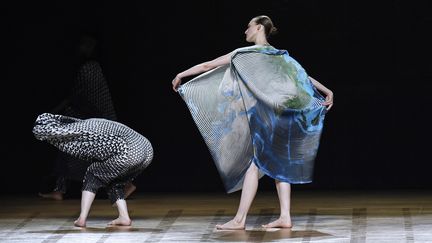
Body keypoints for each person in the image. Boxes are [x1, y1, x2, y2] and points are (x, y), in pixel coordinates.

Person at [172, 15, 333, 230]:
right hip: (282, 118)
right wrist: (326, 90)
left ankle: (239, 220)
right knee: (280, 165)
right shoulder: (280, 56)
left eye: (248, 27)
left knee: (254, 166)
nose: (245, 31)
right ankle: (284, 216)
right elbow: (302, 78)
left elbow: (207, 66)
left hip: (266, 118)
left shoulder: (244, 54)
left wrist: (181, 75)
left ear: (258, 28)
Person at [38, 34, 137, 201]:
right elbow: (76, 96)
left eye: (87, 46)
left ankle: (125, 185)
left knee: (98, 155)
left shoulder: (90, 68)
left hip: (97, 119)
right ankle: (58, 190)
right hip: (89, 117)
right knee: (68, 150)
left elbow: (87, 97)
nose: (82, 49)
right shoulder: (85, 67)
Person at [33, 113, 154, 227]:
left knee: (92, 174)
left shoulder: (82, 129)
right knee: (114, 181)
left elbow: (82, 148)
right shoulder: (87, 123)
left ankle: (82, 219)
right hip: (147, 149)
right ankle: (124, 217)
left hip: (131, 151)